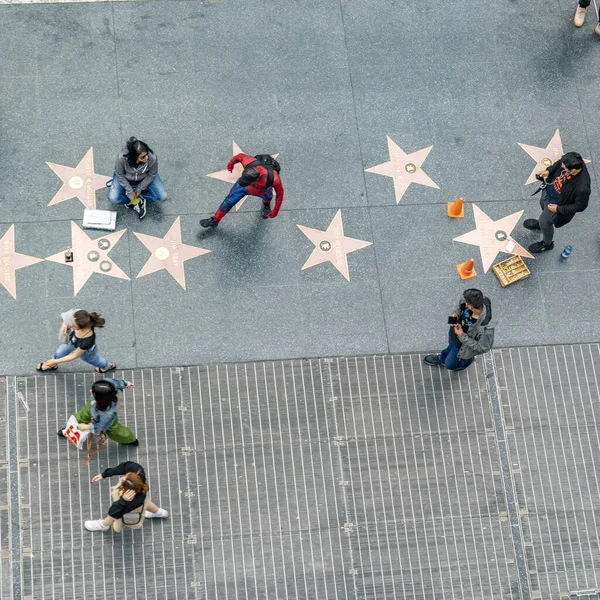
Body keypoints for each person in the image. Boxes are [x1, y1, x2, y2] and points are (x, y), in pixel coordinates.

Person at [523, 152, 591, 253]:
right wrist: (549, 171)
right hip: (548, 192)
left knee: (545, 222)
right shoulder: (573, 160)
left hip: (557, 206)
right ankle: (540, 224)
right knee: (543, 207)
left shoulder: (582, 187)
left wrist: (558, 209)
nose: (561, 166)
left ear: (572, 170)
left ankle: (546, 244)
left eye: (564, 167)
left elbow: (581, 206)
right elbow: (559, 163)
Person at [200, 153, 284, 228]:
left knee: (268, 197)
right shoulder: (248, 161)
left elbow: (280, 194)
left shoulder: (274, 179)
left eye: (247, 182)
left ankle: (266, 205)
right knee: (228, 202)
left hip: (262, 190)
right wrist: (230, 164)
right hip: (242, 188)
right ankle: (215, 220)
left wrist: (275, 210)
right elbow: (239, 156)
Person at [84, 461, 168, 532]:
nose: (123, 477)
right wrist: (105, 474)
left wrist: (121, 500)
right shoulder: (139, 477)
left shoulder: (131, 501)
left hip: (130, 509)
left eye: (124, 479)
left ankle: (104, 525)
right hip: (143, 500)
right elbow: (125, 466)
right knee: (146, 502)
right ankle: (159, 513)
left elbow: (114, 512)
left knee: (116, 523)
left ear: (126, 489)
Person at [424, 289, 495, 371]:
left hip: (462, 346)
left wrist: (461, 335)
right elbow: (460, 306)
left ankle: (463, 364)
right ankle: (442, 358)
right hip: (454, 334)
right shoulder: (476, 301)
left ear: (470, 306)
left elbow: (483, 348)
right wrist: (455, 314)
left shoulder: (486, 328)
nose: (463, 301)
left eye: (466, 302)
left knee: (449, 365)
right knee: (449, 348)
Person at [58, 378, 138, 445]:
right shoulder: (106, 385)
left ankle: (129, 439)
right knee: (81, 416)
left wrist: (87, 427)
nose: (90, 390)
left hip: (103, 417)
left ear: (100, 397)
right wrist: (125, 383)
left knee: (114, 431)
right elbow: (115, 382)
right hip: (93, 407)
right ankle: (69, 429)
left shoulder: (108, 414)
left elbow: (102, 426)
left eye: (93, 391)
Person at [37, 310, 116, 374]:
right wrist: (64, 325)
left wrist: (55, 361)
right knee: (60, 352)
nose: (71, 326)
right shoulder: (78, 316)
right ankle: (52, 364)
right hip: (73, 341)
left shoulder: (87, 340)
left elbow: (74, 355)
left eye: (74, 326)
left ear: (82, 327)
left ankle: (107, 366)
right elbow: (67, 319)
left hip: (86, 351)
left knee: (94, 360)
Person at [107, 137, 167, 220]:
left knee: (162, 196)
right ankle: (135, 201)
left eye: (146, 154)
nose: (146, 158)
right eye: (142, 157)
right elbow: (120, 175)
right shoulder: (122, 158)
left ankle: (138, 198)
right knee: (113, 198)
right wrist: (130, 192)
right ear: (134, 157)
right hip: (125, 178)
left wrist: (139, 189)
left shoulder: (152, 158)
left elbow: (152, 174)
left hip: (144, 177)